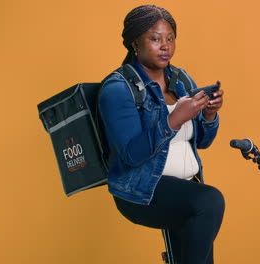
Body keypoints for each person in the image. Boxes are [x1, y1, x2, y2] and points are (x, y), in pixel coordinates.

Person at [98, 5, 225, 264]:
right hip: (141, 191)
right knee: (209, 201)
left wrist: (209, 115)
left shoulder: (180, 80)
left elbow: (202, 141)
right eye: (155, 39)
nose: (165, 46)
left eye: (170, 38)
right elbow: (132, 154)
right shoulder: (117, 88)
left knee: (194, 241)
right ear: (135, 42)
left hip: (185, 189)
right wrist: (174, 119)